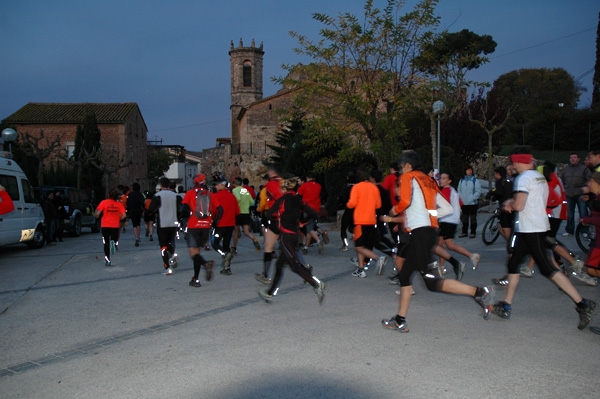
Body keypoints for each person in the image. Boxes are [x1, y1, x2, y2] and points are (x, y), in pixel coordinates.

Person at [381, 151, 495, 333]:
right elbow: (447, 208)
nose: (401, 171)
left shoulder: (407, 177)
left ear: (408, 166)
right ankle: (400, 320)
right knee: (409, 277)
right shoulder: (429, 181)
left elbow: (404, 202)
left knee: (430, 282)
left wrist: (394, 211)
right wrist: (427, 217)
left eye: (402, 167)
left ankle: (479, 292)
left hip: (420, 234)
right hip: (427, 233)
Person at [491, 147, 596, 331]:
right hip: (530, 227)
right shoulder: (538, 177)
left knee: (548, 268)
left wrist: (509, 204)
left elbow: (520, 204)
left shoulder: (523, 179)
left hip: (532, 228)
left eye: (513, 162)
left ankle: (583, 304)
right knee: (514, 263)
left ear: (518, 162)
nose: (512, 166)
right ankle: (506, 305)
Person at [258, 176, 327, 304]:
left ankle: (317, 284)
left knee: (293, 266)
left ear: (285, 188)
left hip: (286, 236)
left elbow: (268, 214)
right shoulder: (298, 199)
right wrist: (302, 222)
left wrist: (276, 221)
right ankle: (269, 293)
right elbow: (313, 213)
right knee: (279, 265)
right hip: (295, 235)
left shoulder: (282, 200)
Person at [346, 164, 387, 278]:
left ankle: (378, 258)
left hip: (360, 220)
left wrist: (348, 204)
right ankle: (360, 269)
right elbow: (378, 205)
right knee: (362, 246)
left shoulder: (357, 187)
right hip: (371, 220)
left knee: (358, 247)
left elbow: (352, 203)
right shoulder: (374, 187)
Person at [438, 172, 481, 277]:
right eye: (441, 178)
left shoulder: (446, 190)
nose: (441, 180)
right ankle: (441, 267)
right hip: (451, 220)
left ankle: (471, 256)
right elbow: (461, 203)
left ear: (449, 181)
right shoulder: (454, 191)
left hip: (447, 220)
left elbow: (444, 204)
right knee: (440, 244)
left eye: (444, 178)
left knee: (449, 245)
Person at [181, 173, 215, 287]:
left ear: (194, 182)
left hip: (194, 225)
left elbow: (184, 210)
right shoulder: (210, 194)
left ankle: (206, 265)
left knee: (193, 254)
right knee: (198, 253)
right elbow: (218, 210)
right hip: (206, 226)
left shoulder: (190, 193)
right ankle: (195, 278)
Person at [255, 166, 283, 285]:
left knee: (269, 246)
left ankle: (266, 275)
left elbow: (278, 199)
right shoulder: (284, 182)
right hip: (286, 218)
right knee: (290, 248)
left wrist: (262, 210)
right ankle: (306, 267)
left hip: (275, 217)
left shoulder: (270, 186)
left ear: (271, 172)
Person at [148, 177, 180, 275]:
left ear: (161, 185)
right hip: (173, 222)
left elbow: (151, 209)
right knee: (171, 241)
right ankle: (172, 253)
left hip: (162, 223)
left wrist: (149, 214)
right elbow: (180, 208)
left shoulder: (157, 195)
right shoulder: (175, 196)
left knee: (163, 245)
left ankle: (167, 265)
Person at [211, 178, 240, 275]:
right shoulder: (232, 196)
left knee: (215, 243)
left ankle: (224, 254)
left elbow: (213, 210)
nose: (216, 186)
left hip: (220, 223)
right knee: (226, 244)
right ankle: (227, 268)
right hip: (230, 223)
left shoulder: (216, 196)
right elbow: (237, 212)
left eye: (217, 184)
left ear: (222, 185)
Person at [560, 153, 591, 237]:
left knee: (583, 213)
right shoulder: (566, 169)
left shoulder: (584, 169)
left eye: (574, 157)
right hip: (569, 194)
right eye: (571, 157)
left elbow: (589, 180)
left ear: (578, 159)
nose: (573, 159)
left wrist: (586, 190)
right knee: (569, 214)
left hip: (580, 194)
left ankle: (584, 230)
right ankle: (569, 230)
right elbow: (562, 180)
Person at [298, 173, 328, 254]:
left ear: (307, 178)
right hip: (316, 209)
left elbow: (299, 194)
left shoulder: (304, 185)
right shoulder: (318, 186)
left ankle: (318, 241)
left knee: (309, 228)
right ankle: (306, 247)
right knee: (310, 227)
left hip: (307, 209)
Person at [95, 188, 126, 266]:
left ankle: (107, 260)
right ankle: (113, 244)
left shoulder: (103, 203)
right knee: (114, 239)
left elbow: (98, 214)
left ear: (108, 195)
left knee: (106, 243)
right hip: (115, 225)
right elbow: (124, 215)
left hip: (105, 225)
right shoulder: (119, 204)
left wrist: (97, 216)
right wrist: (119, 218)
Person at [232, 177, 261, 254]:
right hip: (246, 212)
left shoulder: (235, 190)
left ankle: (234, 248)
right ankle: (254, 239)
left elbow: (237, 198)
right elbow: (252, 201)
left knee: (236, 231)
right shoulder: (245, 190)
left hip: (238, 213)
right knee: (247, 232)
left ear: (235, 184)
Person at [580, 172, 600, 280]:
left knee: (591, 268)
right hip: (597, 240)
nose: (589, 184)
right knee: (592, 268)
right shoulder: (596, 198)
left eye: (591, 181)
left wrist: (588, 219)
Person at [457, 165, 481, 238]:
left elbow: (478, 191)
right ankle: (464, 232)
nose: (469, 172)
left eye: (470, 170)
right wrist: (461, 198)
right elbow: (459, 190)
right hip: (464, 203)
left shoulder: (475, 180)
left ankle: (473, 232)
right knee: (464, 218)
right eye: (467, 170)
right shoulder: (461, 180)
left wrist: (473, 198)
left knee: (473, 218)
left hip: (472, 203)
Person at [127, 182, 146, 247]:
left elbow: (128, 203)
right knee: (138, 224)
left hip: (132, 211)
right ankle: (138, 236)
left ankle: (136, 237)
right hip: (138, 211)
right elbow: (143, 202)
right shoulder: (140, 194)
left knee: (134, 225)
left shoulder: (130, 195)